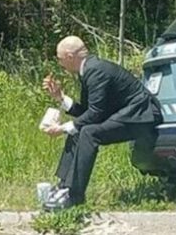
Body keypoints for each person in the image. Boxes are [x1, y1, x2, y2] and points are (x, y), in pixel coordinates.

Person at [42, 36, 162, 209]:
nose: (60, 64)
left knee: (87, 132)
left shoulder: (95, 70)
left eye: (59, 59)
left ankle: (73, 196)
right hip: (129, 114)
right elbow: (88, 112)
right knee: (79, 130)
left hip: (141, 116)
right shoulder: (88, 70)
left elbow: (95, 113)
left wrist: (62, 128)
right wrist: (60, 98)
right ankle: (63, 186)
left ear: (70, 56)